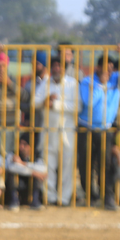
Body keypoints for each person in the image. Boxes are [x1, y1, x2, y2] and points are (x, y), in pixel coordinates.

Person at [78, 49, 120, 209]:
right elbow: (89, 102)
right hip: (86, 128)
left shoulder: (116, 79)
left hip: (105, 129)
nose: (109, 71)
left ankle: (108, 197)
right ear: (98, 68)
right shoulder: (87, 82)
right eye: (106, 68)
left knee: (105, 163)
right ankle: (90, 195)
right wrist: (101, 86)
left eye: (111, 68)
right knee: (85, 163)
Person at [31, 49, 79, 206]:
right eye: (55, 66)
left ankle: (64, 198)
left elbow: (78, 106)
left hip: (67, 132)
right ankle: (50, 197)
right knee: (48, 165)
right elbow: (34, 102)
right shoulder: (45, 83)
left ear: (65, 68)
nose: (57, 69)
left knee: (67, 165)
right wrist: (46, 100)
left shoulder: (72, 83)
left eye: (60, 66)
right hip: (48, 132)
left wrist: (56, 104)